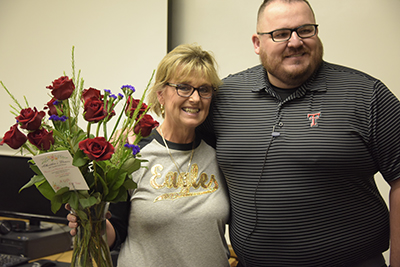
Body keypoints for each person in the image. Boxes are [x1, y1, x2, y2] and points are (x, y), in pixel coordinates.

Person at [198, 0, 400, 266]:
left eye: (305, 30)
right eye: (280, 34)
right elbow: (189, 152)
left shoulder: (366, 95)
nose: (295, 42)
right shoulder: (224, 97)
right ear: (257, 43)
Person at [67, 44, 231, 267]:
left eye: (204, 89)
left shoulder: (219, 153)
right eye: (183, 87)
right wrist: (92, 223)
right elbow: (117, 231)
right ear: (161, 94)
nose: (195, 98)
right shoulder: (133, 154)